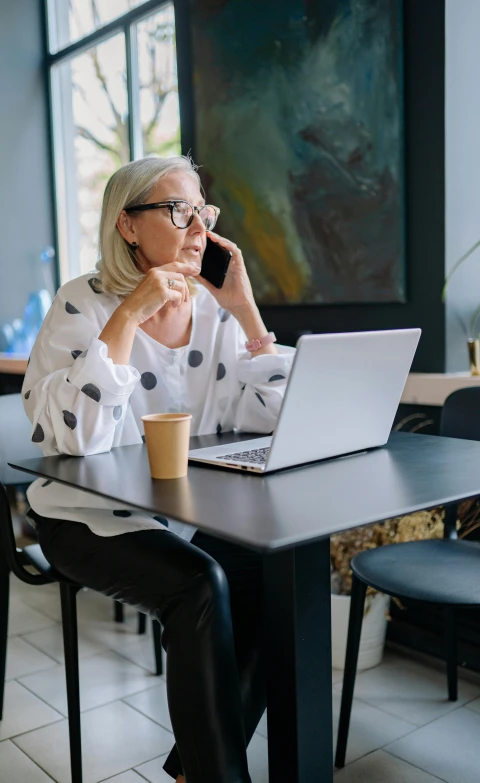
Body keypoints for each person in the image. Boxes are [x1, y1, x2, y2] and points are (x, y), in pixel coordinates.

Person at [22, 155, 294, 783]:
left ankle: (193, 769)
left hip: (188, 516)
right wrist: (127, 316)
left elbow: (276, 420)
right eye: (179, 210)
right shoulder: (81, 303)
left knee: (282, 582)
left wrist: (248, 312)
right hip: (84, 517)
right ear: (129, 226)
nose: (199, 226)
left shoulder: (216, 309)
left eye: (204, 210)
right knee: (199, 586)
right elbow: (76, 442)